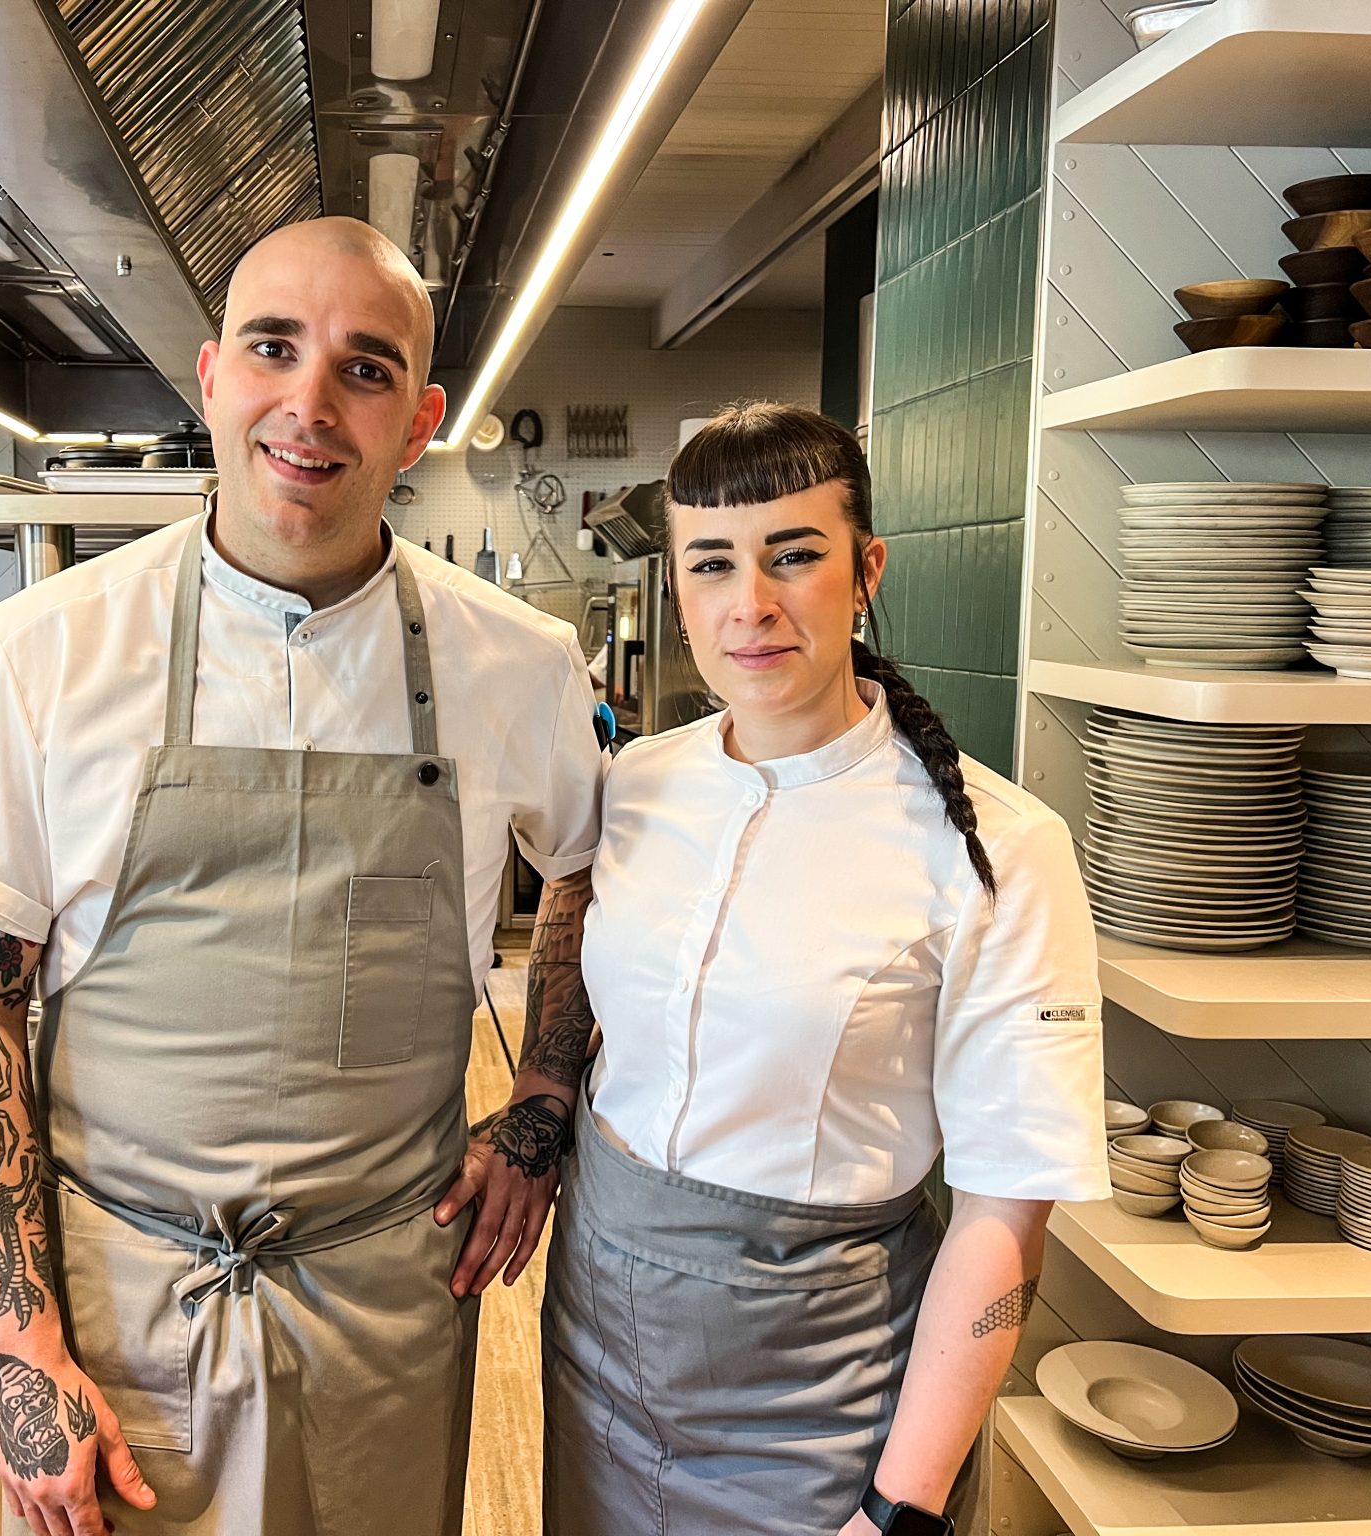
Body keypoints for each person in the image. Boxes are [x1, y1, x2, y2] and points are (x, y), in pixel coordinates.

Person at [0, 216, 606, 1536]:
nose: (310, 404)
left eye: (366, 367)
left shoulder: (518, 663)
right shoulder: (40, 654)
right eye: (275, 348)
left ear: (423, 418)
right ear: (212, 376)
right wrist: (22, 1354)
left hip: (389, 1307)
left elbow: (583, 870)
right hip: (122, 1318)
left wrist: (544, 1097)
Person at [542, 403, 1109, 1536]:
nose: (748, 603)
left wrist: (902, 1505)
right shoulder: (638, 782)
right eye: (710, 564)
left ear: (864, 572)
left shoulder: (998, 847)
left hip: (809, 1401)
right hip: (592, 1345)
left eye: (793, 556)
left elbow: (1005, 1212)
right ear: (678, 591)